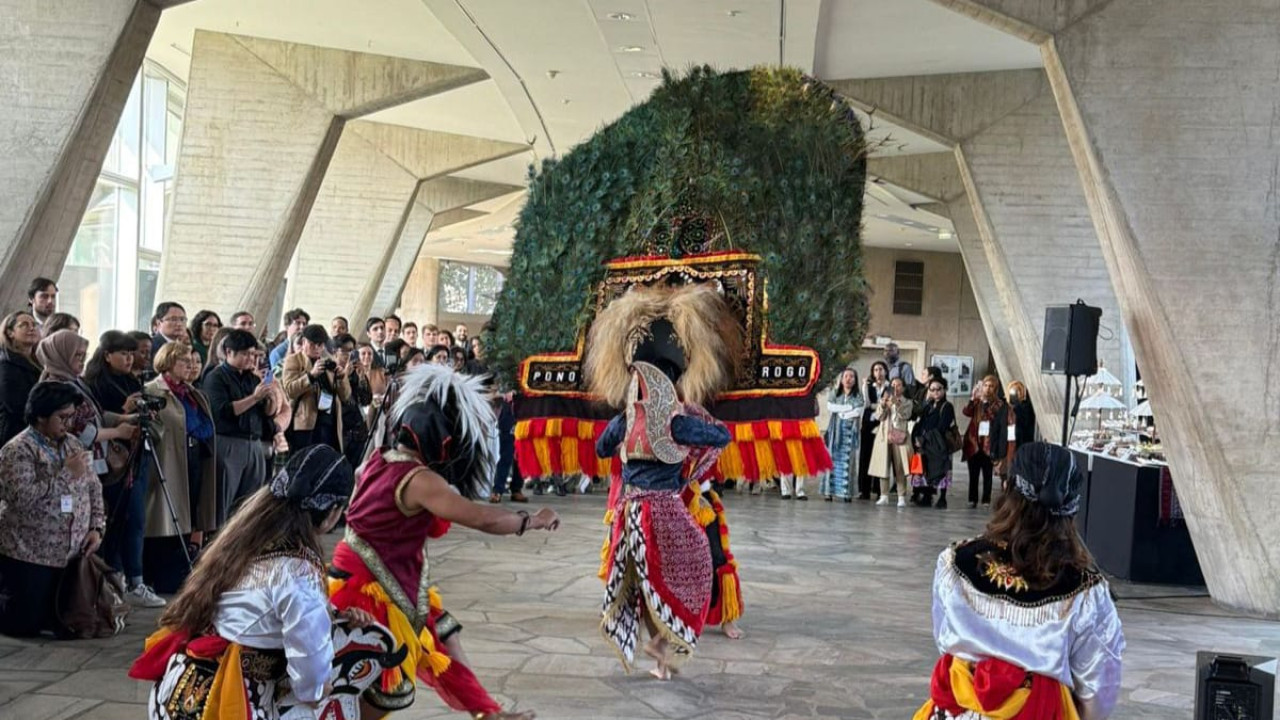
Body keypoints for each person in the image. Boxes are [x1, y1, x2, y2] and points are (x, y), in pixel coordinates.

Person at [329, 364, 559, 719]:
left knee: (444, 637)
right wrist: (533, 521)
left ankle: (487, 713)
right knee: (380, 684)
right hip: (372, 588)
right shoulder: (419, 479)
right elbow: (481, 517)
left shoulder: (377, 461)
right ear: (442, 441)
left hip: (380, 575)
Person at [129, 446, 402, 720]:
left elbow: (261, 614)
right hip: (230, 699)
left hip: (182, 685)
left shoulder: (247, 538)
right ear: (332, 511)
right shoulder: (298, 569)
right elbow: (310, 671)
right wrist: (319, 687)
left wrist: (335, 617)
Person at [589, 284, 738, 681]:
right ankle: (659, 652)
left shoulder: (625, 419)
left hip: (629, 515)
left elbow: (603, 449)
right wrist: (692, 433)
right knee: (681, 576)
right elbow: (722, 437)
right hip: (666, 513)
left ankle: (657, 653)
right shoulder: (676, 419)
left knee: (644, 582)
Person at [915, 443, 1124, 719]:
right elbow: (1098, 693)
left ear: (1008, 490)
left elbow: (947, 641)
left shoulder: (954, 562)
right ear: (1072, 507)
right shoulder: (1086, 591)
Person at [0, 382, 104, 637]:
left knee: (71, 624)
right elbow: (22, 497)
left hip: (71, 553)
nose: (68, 424)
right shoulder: (17, 450)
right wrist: (66, 475)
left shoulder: (72, 444)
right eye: (62, 417)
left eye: (71, 417)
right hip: (30, 553)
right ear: (40, 416)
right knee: (24, 627)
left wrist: (96, 528)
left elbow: (94, 488)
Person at [83, 331, 161, 606]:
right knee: (117, 520)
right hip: (112, 460)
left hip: (136, 455)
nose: (129, 359)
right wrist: (124, 409)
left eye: (132, 353)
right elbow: (96, 418)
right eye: (124, 354)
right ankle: (114, 580)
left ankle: (134, 580)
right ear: (106, 355)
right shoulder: (94, 383)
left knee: (137, 519)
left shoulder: (133, 380)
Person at [142, 342, 218, 573]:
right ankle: (161, 572)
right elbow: (187, 425)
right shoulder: (153, 390)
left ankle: (179, 567)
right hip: (168, 461)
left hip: (194, 457)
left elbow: (205, 428)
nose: (191, 365)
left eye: (193, 361)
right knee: (165, 516)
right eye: (184, 361)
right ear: (168, 362)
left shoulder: (191, 392)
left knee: (190, 513)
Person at [37, 330, 139, 477]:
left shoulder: (75, 381)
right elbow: (79, 430)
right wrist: (118, 432)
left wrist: (124, 418)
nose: (82, 360)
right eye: (77, 355)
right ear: (61, 355)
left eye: (84, 355)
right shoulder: (55, 387)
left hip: (90, 459)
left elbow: (94, 414)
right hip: (73, 463)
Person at [200, 329, 276, 523]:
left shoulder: (252, 378)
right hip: (229, 443)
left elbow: (267, 413)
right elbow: (223, 411)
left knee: (251, 504)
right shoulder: (215, 377)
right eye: (244, 354)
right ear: (228, 352)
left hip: (254, 442)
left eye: (252, 354)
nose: (250, 358)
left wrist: (269, 396)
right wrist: (254, 397)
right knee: (225, 501)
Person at [281, 325, 351, 454]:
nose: (317, 348)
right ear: (303, 342)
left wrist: (342, 377)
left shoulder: (330, 361)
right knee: (304, 463)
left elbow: (345, 396)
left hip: (330, 422)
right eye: (312, 344)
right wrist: (311, 375)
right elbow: (290, 390)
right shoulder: (294, 360)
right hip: (306, 424)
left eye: (320, 345)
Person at [910, 378, 956, 509]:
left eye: (939, 389)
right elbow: (919, 421)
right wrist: (917, 438)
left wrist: (925, 438)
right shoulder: (928, 405)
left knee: (942, 469)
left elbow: (942, 426)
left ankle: (942, 498)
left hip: (939, 444)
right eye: (932, 389)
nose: (936, 392)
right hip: (925, 443)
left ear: (944, 390)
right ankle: (926, 495)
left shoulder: (947, 406)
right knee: (926, 469)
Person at [869, 376, 914, 508]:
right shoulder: (884, 400)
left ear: (903, 388)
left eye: (899, 385)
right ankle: (884, 495)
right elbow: (878, 417)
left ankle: (901, 496)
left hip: (899, 438)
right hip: (884, 437)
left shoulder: (907, 402)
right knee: (883, 466)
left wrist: (897, 404)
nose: (895, 387)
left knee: (899, 467)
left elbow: (905, 415)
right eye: (893, 384)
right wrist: (883, 406)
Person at [962, 375, 1007, 509]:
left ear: (996, 388)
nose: (987, 389)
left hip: (989, 443)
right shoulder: (976, 402)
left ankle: (986, 499)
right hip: (974, 442)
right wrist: (972, 398)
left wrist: (986, 402)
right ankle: (972, 498)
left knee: (987, 474)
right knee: (973, 473)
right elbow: (966, 412)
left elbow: (993, 417)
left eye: (991, 386)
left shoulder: (999, 404)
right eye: (985, 386)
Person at [822, 364, 864, 502]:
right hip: (835, 432)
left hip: (850, 433)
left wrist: (842, 412)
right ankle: (829, 492)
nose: (848, 379)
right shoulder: (835, 392)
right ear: (841, 379)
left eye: (851, 376)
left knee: (848, 462)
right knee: (832, 460)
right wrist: (848, 407)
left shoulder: (858, 394)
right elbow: (830, 407)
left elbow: (858, 411)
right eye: (846, 376)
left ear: (855, 379)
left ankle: (847, 493)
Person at [0, 310, 43, 447]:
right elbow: (16, 406)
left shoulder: (38, 360)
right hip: (16, 434)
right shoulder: (5, 364)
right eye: (24, 325)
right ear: (10, 333)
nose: (31, 328)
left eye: (34, 324)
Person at [857, 360, 890, 500]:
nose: (878, 372)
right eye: (875, 369)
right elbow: (866, 404)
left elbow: (888, 404)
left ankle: (878, 490)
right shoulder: (868, 386)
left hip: (882, 423)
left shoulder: (890, 386)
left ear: (886, 371)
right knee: (865, 456)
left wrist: (877, 406)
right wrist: (865, 386)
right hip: (868, 425)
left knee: (880, 458)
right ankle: (864, 490)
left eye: (881, 369)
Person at [1001, 380, 1037, 482]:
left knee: (1020, 470)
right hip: (1009, 444)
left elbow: (1027, 424)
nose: (1015, 395)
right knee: (1009, 470)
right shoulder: (1005, 408)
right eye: (1013, 393)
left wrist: (1017, 408)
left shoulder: (1025, 408)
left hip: (1022, 443)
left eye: (1017, 392)